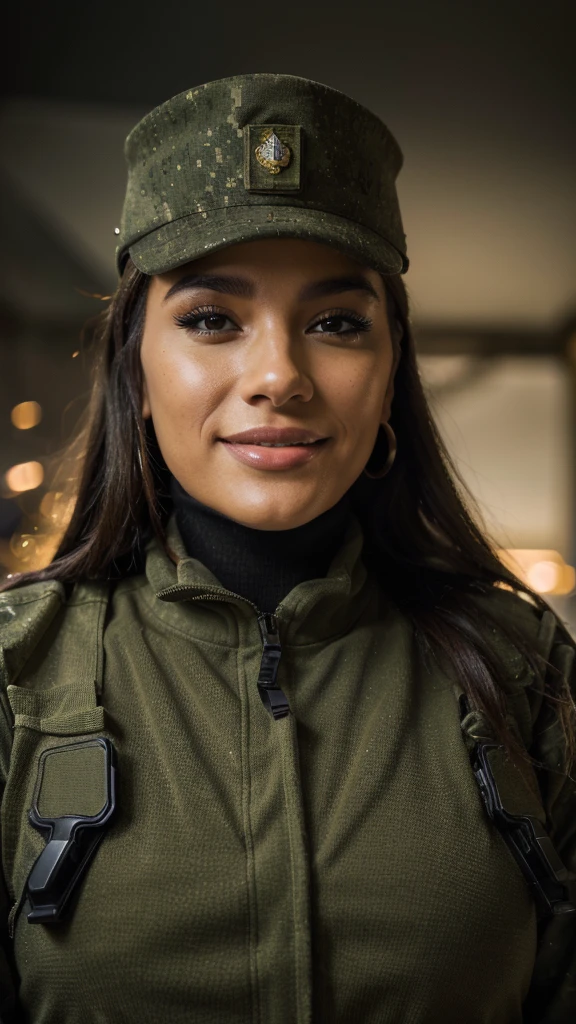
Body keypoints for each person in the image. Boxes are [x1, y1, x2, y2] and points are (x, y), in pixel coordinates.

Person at [0, 73, 575, 1024]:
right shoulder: (17, 678)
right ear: (134, 370)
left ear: (391, 368)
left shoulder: (525, 674)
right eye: (212, 319)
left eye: (337, 323)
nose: (278, 375)